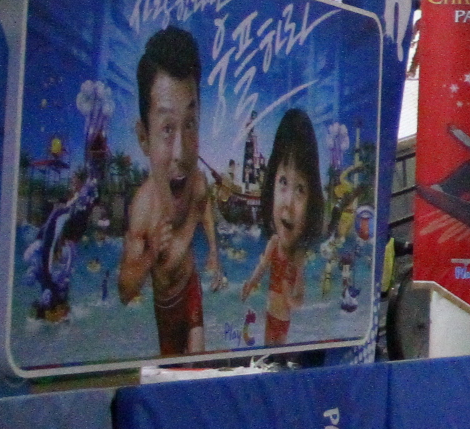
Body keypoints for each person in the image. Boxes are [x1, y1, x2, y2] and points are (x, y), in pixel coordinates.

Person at [115, 26, 225, 355]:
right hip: (164, 309)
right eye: (166, 129)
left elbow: (204, 207)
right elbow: (125, 290)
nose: (180, 152)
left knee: (197, 365)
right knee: (173, 372)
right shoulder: (143, 211)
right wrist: (151, 254)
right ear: (143, 138)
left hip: (190, 292)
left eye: (189, 124)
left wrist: (214, 253)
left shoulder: (198, 185)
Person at [239, 108, 323, 346]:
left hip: (283, 319)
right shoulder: (274, 243)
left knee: (279, 351)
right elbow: (262, 266)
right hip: (269, 312)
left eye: (300, 189)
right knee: (268, 351)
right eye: (283, 182)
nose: (288, 204)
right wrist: (250, 284)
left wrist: (289, 297)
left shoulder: (298, 257)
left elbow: (299, 298)